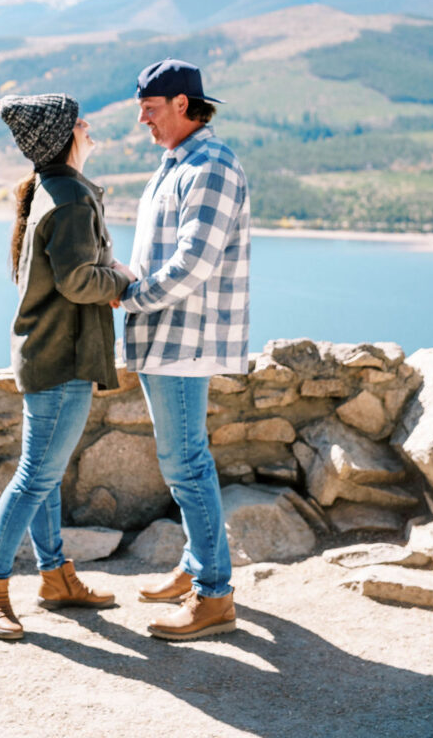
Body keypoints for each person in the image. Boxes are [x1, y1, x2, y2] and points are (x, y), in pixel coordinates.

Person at [0, 93, 135, 641]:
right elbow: (77, 281)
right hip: (61, 359)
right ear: (64, 137)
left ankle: (56, 577)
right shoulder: (67, 198)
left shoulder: (52, 189)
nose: (87, 125)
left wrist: (107, 269)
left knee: (45, 475)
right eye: (77, 121)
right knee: (34, 479)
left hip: (45, 353)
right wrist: (123, 283)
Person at [116, 58, 250, 640]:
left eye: (150, 107)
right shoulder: (177, 163)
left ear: (181, 104)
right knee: (182, 461)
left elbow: (193, 264)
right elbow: (160, 256)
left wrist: (131, 297)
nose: (142, 119)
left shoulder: (212, 165)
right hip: (163, 337)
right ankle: (199, 568)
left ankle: (215, 595)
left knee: (186, 462)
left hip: (181, 338)